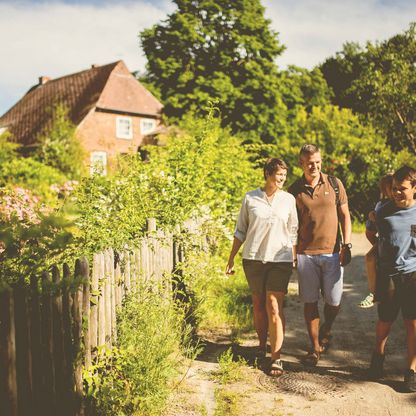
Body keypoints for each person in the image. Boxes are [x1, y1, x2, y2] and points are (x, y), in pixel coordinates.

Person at [226, 158, 298, 377]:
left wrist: (293, 257)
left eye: (284, 175)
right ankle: (261, 346)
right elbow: (240, 230)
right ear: (267, 173)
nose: (282, 179)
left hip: (280, 260)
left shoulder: (288, 199)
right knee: (258, 303)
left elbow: (293, 230)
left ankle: (276, 357)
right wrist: (230, 258)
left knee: (274, 306)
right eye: (279, 175)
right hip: (253, 258)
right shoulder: (250, 198)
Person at [288, 144, 352, 366]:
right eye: (309, 162)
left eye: (317, 162)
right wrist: (293, 253)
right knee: (310, 302)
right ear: (301, 163)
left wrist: (347, 244)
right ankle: (315, 347)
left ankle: (326, 328)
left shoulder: (334, 184)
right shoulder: (294, 190)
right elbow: (291, 225)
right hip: (306, 254)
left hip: (333, 253)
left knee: (334, 302)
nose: (314, 166)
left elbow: (345, 216)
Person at [368, 166, 416, 392]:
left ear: (414, 188)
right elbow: (370, 232)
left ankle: (411, 372)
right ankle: (378, 357)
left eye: (403, 189)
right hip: (388, 273)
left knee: (413, 324)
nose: (397, 193)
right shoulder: (383, 210)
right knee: (384, 322)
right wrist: (378, 246)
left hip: (413, 275)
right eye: (395, 189)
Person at [360, 174, 393, 308]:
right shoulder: (381, 206)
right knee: (369, 257)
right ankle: (373, 292)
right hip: (386, 242)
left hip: (405, 244)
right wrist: (379, 245)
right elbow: (369, 232)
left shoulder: (409, 206)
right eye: (390, 188)